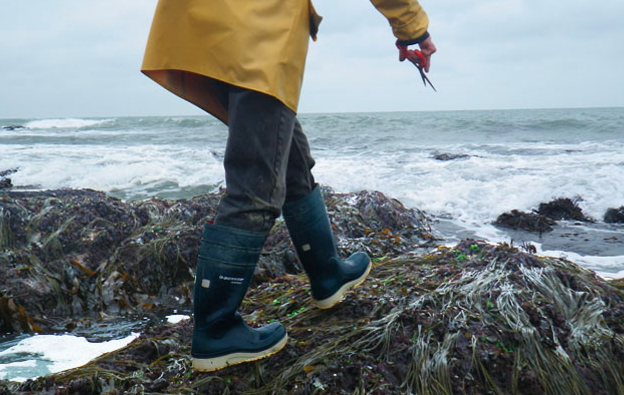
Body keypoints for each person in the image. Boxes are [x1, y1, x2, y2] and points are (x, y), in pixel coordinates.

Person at [141, 0, 436, 372]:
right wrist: (413, 28)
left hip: (203, 27)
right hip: (256, 35)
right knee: (256, 186)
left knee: (289, 158)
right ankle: (215, 331)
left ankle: (328, 273)